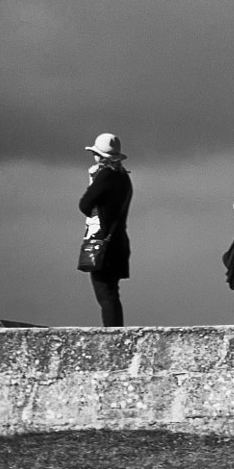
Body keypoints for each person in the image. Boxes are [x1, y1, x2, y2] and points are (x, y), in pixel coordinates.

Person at [78, 133, 133, 326]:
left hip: (102, 244)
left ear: (99, 156)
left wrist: (93, 180)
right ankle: (116, 333)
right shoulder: (124, 178)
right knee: (111, 293)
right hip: (119, 242)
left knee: (105, 295)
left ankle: (113, 338)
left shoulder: (105, 176)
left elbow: (85, 205)